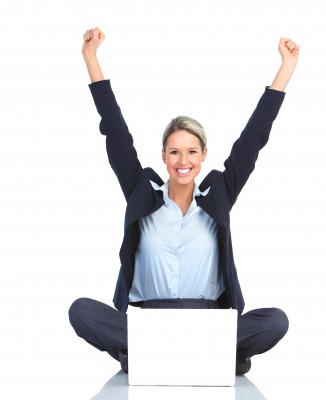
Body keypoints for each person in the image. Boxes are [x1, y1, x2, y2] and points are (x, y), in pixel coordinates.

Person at [69, 28, 300, 375]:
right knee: (81, 311)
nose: (183, 161)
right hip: (148, 323)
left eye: (192, 151)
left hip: (208, 323)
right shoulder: (140, 191)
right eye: (174, 152)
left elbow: (254, 138)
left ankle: (161, 356)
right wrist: (91, 59)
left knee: (274, 322)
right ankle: (196, 356)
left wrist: (286, 67)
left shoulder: (220, 191)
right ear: (163, 155)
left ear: (204, 154)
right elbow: (114, 130)